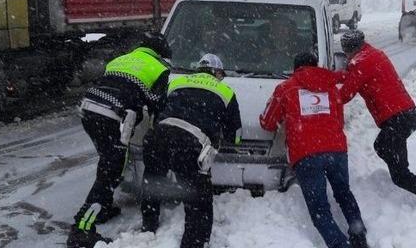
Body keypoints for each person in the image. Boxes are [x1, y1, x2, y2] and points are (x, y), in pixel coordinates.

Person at [339, 30, 416, 213]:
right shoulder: (373, 54)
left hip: (397, 120)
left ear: (347, 49)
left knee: (400, 175)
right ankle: (401, 169)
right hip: (406, 116)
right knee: (381, 146)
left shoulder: (359, 63)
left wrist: (319, 95)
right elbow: (355, 77)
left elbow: (344, 95)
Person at [66, 32, 172, 248]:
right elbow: (155, 106)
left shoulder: (121, 59)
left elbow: (112, 84)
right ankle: (82, 228)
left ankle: (103, 206)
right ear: (161, 54)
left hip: (88, 110)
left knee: (107, 160)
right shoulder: (160, 69)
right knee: (112, 172)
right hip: (112, 116)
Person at [260, 52, 369, 248]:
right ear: (315, 65)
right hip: (336, 150)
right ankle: (359, 237)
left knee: (320, 209)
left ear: (295, 69)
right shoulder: (330, 86)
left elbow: (268, 122)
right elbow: (339, 119)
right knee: (344, 194)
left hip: (306, 154)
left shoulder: (285, 88)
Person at [140, 54, 242, 248]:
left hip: (158, 136)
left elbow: (157, 110)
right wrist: (227, 139)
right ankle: (194, 243)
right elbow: (234, 134)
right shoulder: (225, 91)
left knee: (153, 178)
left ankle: (149, 223)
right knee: (198, 199)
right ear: (217, 72)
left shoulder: (177, 82)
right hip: (190, 144)